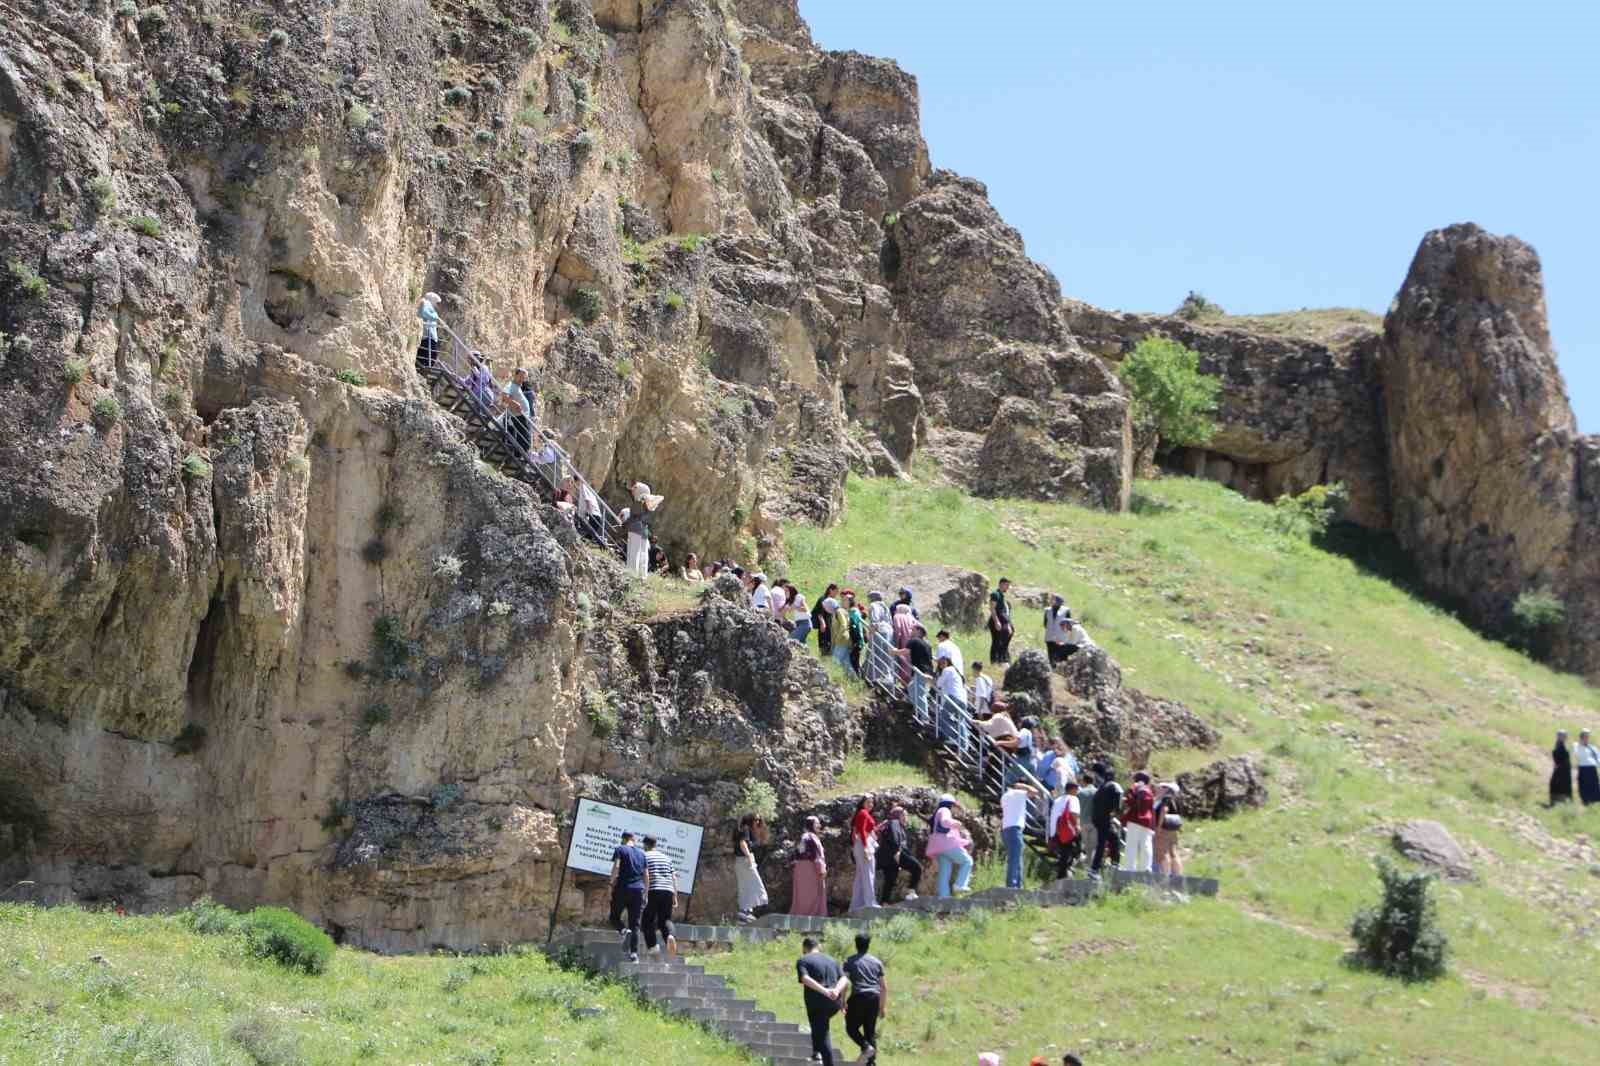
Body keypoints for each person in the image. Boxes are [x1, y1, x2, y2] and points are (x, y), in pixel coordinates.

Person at [796, 936, 848, 1066]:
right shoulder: (832, 960)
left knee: (822, 1032)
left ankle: (823, 1059)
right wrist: (837, 992)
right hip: (834, 1002)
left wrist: (825, 991)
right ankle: (816, 1053)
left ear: (804, 948)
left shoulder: (803, 960)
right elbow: (844, 979)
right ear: (819, 946)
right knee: (819, 1025)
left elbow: (805, 978)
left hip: (817, 1001)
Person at [843, 932, 887, 1066]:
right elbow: (883, 987)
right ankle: (871, 1063)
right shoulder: (877, 962)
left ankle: (865, 1047)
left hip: (858, 997)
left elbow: (844, 982)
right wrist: (882, 1007)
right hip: (874, 997)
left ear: (856, 945)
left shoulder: (849, 961)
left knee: (851, 1028)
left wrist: (842, 1001)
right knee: (870, 1032)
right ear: (868, 945)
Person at [608, 831, 648, 962]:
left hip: (622, 888)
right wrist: (646, 893)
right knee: (635, 924)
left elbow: (616, 866)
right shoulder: (642, 854)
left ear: (623, 839)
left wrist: (610, 884)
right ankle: (634, 954)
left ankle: (624, 931)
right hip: (638, 890)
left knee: (614, 917)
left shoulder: (620, 849)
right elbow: (646, 875)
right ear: (633, 839)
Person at [926, 795, 974, 897]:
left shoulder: (937, 812)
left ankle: (944, 897)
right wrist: (956, 823)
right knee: (967, 861)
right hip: (946, 844)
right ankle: (960, 884)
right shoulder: (945, 810)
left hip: (937, 847)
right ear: (950, 805)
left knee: (944, 872)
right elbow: (945, 822)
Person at [641, 835, 678, 959]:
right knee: (665, 920)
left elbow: (644, 874)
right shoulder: (666, 858)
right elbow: (674, 877)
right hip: (668, 890)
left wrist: (645, 893)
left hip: (653, 889)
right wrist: (675, 896)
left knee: (647, 920)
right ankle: (670, 936)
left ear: (645, 845)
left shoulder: (644, 856)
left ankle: (653, 947)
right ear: (655, 844)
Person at [875, 805, 922, 903]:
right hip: (895, 853)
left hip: (888, 858)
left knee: (890, 880)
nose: (905, 818)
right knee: (917, 867)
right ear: (897, 815)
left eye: (906, 816)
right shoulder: (894, 823)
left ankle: (884, 902)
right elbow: (894, 839)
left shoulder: (894, 824)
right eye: (903, 815)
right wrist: (897, 853)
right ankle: (911, 892)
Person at [1000, 780, 1039, 889]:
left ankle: (1018, 885)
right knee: (1015, 859)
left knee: (1016, 858)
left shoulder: (1005, 796)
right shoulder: (1018, 793)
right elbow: (1035, 792)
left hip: (1006, 829)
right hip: (1015, 829)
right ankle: (1012, 885)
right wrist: (1023, 786)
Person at [622, 482, 663, 578]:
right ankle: (642, 575)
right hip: (644, 531)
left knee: (634, 551)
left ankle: (632, 573)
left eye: (635, 489)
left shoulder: (637, 503)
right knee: (643, 554)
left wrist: (625, 523)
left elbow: (634, 517)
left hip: (635, 529)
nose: (633, 491)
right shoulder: (647, 505)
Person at [1089, 766, 1123, 878]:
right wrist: (1115, 815)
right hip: (1105, 819)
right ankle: (1094, 869)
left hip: (1096, 818)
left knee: (1113, 838)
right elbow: (1118, 806)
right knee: (1102, 844)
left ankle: (1115, 863)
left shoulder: (1101, 787)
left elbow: (1095, 802)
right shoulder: (1115, 786)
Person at [791, 815, 828, 916]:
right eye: (817, 823)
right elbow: (814, 854)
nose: (819, 826)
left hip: (801, 869)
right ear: (811, 824)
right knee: (812, 894)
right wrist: (821, 868)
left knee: (803, 895)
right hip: (810, 868)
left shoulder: (804, 837)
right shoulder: (811, 837)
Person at [1120, 771, 1156, 874]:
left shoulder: (1136, 788)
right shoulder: (1149, 790)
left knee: (1131, 845)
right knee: (1146, 844)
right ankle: (1146, 868)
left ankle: (1129, 868)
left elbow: (1130, 801)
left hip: (1135, 819)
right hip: (1147, 821)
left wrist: (1130, 790)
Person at [734, 813, 769, 923]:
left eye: (759, 820)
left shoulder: (744, 829)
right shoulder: (745, 829)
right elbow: (742, 843)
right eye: (755, 820)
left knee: (745, 886)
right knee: (756, 884)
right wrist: (748, 855)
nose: (757, 822)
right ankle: (746, 910)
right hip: (745, 861)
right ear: (750, 820)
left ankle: (745, 911)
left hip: (741, 861)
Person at [849, 797, 879, 911]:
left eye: (872, 802)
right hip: (864, 845)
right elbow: (861, 830)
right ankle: (870, 902)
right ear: (863, 803)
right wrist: (866, 847)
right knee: (868, 873)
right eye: (868, 802)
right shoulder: (863, 813)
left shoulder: (863, 813)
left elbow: (863, 829)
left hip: (861, 844)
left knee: (861, 876)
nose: (871, 804)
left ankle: (856, 904)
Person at [1049, 780, 1083, 880]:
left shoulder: (1058, 800)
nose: (1077, 792)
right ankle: (1063, 875)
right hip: (1067, 830)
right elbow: (1074, 813)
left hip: (1056, 831)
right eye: (1076, 789)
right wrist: (1077, 827)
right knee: (1072, 850)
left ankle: (1063, 873)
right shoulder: (1073, 799)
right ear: (1072, 789)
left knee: (1064, 853)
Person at [934, 654, 968, 750]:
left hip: (954, 698)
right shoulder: (955, 671)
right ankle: (964, 745)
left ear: (948, 663)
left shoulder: (947, 670)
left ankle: (951, 737)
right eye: (940, 663)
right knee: (961, 721)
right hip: (963, 699)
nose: (942, 665)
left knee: (943, 716)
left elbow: (938, 684)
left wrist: (932, 679)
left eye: (943, 663)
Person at [498, 369, 534, 452]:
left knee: (524, 439)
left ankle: (520, 454)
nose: (522, 379)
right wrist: (515, 403)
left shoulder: (517, 387)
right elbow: (504, 395)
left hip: (522, 416)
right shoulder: (511, 385)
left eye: (524, 378)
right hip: (518, 417)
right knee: (525, 440)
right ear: (515, 375)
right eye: (520, 377)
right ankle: (520, 455)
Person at [1153, 782, 1183, 877]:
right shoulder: (1177, 800)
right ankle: (1177, 875)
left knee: (1163, 852)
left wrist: (1158, 826)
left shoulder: (1166, 798)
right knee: (1174, 853)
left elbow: (1164, 810)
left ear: (1168, 789)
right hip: (1173, 829)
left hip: (1164, 829)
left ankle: (1166, 875)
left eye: (1165, 787)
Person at [988, 577, 1015, 664]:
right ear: (1001, 584)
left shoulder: (1002, 596)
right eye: (1006, 585)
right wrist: (996, 621)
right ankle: (995, 661)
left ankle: (1002, 658)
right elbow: (992, 608)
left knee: (1003, 640)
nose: (1008, 587)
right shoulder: (995, 594)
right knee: (996, 641)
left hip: (1002, 621)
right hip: (997, 621)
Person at [1077, 772, 1099, 871]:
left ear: (1084, 781)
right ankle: (1089, 868)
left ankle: (1080, 865)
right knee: (1092, 847)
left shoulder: (1081, 793)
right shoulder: (1098, 792)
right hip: (1094, 822)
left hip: (1083, 822)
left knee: (1083, 845)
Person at [415, 291, 442, 372]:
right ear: (433, 300)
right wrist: (435, 317)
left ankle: (421, 371)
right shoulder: (426, 303)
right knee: (429, 357)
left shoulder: (429, 306)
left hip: (429, 337)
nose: (438, 305)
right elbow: (423, 313)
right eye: (437, 303)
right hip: (428, 337)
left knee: (429, 357)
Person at [1044, 595, 1072, 665]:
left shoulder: (1066, 610)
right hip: (1050, 638)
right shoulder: (1047, 610)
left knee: (1062, 658)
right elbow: (1045, 624)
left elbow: (1069, 625)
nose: (1051, 601)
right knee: (1051, 658)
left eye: (1053, 599)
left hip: (1061, 639)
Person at [813, 584, 838, 655]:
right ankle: (824, 654)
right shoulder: (823, 599)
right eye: (835, 591)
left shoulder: (832, 600)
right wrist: (822, 624)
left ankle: (827, 654)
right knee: (824, 640)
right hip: (824, 624)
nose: (836, 594)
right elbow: (819, 613)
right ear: (830, 590)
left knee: (829, 641)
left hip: (829, 623)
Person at [1578, 730, 1600, 806]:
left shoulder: (1592, 747)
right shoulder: (1578, 746)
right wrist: (1581, 743)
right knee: (1584, 786)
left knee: (1594, 785)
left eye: (1587, 736)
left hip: (1592, 769)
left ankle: (1595, 801)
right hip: (1583, 768)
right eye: (1585, 736)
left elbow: (1598, 757)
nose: (1586, 738)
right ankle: (1586, 801)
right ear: (1581, 737)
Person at [1551, 730, 1574, 805]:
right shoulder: (1559, 745)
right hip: (1562, 769)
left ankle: (1562, 802)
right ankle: (1560, 802)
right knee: (1560, 785)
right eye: (1563, 736)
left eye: (1565, 736)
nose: (1565, 737)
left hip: (1564, 769)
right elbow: (1558, 757)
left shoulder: (1561, 744)